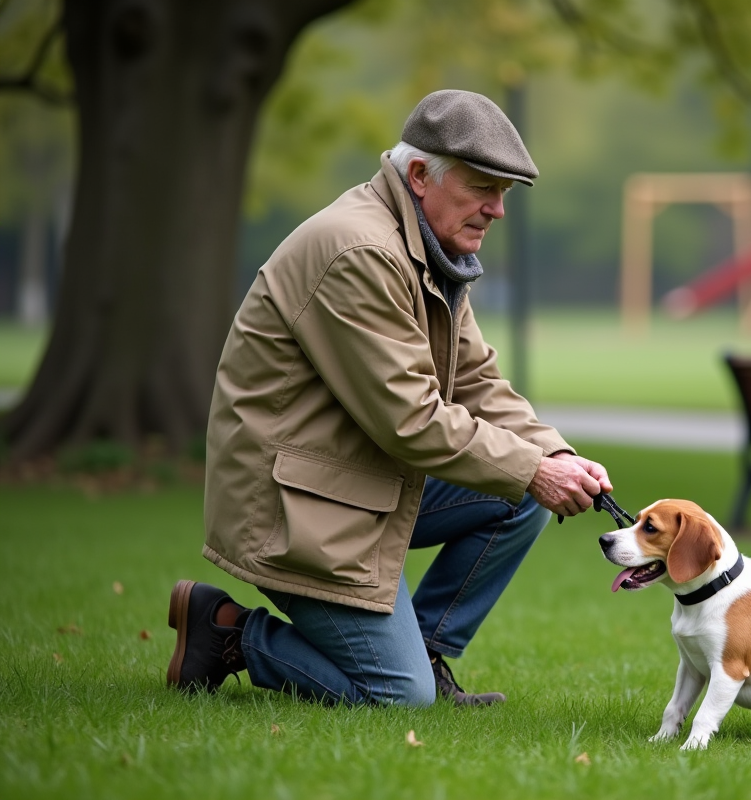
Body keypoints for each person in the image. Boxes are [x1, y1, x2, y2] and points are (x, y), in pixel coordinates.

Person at [166, 90, 611, 707]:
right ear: (420, 175)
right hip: (292, 504)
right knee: (399, 697)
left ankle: (425, 653)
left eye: (506, 193)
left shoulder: (430, 245)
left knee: (519, 498)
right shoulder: (360, 252)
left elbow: (478, 380)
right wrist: (532, 469)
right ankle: (229, 632)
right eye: (484, 186)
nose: (498, 209)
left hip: (351, 483)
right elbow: (410, 419)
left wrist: (554, 457)